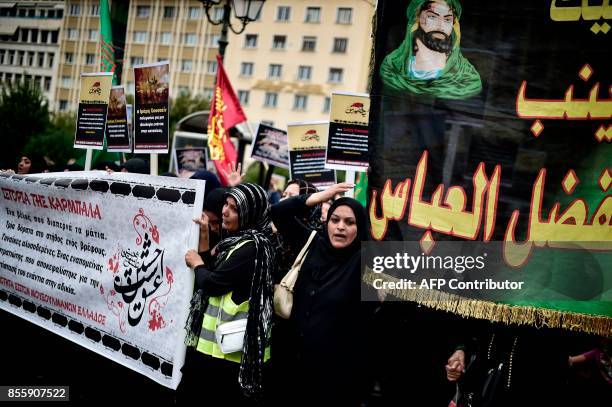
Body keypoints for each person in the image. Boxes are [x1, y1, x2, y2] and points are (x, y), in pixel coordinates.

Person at [269, 182, 369, 406]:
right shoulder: (313, 243)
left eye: (349, 222)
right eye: (335, 220)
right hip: (290, 368)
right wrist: (319, 196)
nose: (340, 227)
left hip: (332, 379)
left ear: (360, 227)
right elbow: (277, 212)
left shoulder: (365, 262)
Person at [183, 183, 275, 404]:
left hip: (227, 355)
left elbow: (213, 283)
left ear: (249, 213)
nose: (224, 211)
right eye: (226, 203)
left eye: (234, 208)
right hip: (218, 350)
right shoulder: (239, 242)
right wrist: (205, 237)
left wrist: (196, 265)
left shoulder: (251, 247)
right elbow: (216, 271)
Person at [380, 0, 482, 99]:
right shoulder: (391, 68)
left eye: (447, 19)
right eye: (432, 17)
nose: (440, 26)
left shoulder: (467, 79)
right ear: (416, 20)